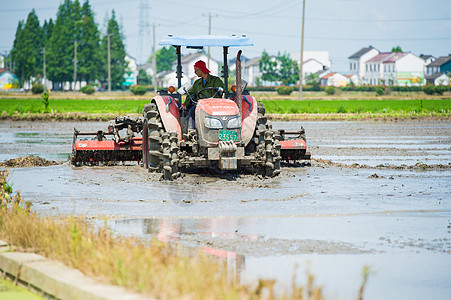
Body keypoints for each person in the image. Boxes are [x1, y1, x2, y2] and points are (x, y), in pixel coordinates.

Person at [185, 60, 224, 130]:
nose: (195, 73)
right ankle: (191, 131)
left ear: (200, 70)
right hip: (201, 106)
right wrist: (186, 104)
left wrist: (220, 89)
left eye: (195, 71)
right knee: (192, 111)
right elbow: (190, 93)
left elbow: (222, 89)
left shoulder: (216, 80)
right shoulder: (197, 83)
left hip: (214, 105)